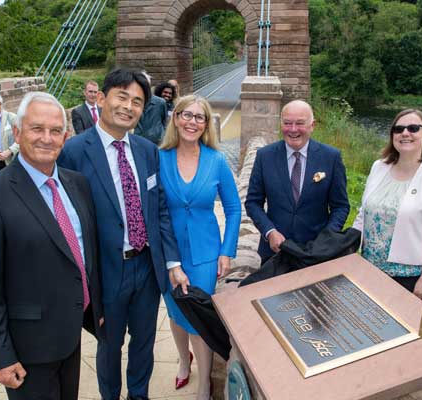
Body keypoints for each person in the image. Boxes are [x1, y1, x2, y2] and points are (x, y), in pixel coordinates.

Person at [0, 92, 105, 400]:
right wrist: (0, 356)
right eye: (36, 128)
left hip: (70, 336)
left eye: (55, 131)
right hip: (27, 349)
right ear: (17, 133)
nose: (47, 138)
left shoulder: (77, 184)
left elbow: (82, 252)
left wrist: (96, 308)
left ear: (65, 137)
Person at [58, 67, 181, 400]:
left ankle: (138, 394)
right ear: (102, 98)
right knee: (109, 345)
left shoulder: (146, 150)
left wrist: (171, 261)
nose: (129, 107)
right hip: (106, 270)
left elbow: (160, 210)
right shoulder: (74, 152)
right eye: (122, 97)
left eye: (138, 102)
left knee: (144, 341)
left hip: (146, 266)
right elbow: (65, 217)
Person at [159, 95, 241, 400]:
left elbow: (233, 209)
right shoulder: (159, 157)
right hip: (169, 253)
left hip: (206, 254)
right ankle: (183, 359)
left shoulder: (216, 160)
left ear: (206, 125)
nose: (192, 122)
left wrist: (227, 251)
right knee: (175, 310)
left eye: (200, 117)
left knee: (197, 318)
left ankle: (205, 383)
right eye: (186, 115)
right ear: (176, 118)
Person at [352, 109, 422, 306]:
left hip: (411, 277)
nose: (405, 133)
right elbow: (364, 213)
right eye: (398, 129)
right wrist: (349, 247)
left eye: (413, 128)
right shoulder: (379, 167)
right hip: (370, 270)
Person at [245, 100, 350, 264]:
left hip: (316, 254)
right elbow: (252, 203)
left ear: (312, 125)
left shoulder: (331, 157)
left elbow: (341, 206)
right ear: (281, 125)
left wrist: (326, 239)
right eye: (287, 123)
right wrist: (270, 231)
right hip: (274, 253)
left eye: (300, 123)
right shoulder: (265, 156)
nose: (293, 129)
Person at [133, 72, 168, 145]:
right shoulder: (132, 102)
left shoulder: (160, 103)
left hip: (157, 142)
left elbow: (165, 122)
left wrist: (163, 136)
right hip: (138, 140)